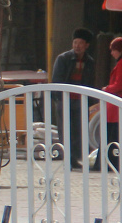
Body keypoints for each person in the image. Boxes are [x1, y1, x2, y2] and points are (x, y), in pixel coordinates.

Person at [51, 27, 96, 168]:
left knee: (78, 130)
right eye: (75, 42)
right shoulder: (63, 59)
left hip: (80, 100)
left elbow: (90, 82)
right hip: (65, 99)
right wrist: (59, 99)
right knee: (65, 130)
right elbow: (56, 80)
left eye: (80, 43)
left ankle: (75, 159)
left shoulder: (89, 61)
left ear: (86, 45)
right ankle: (67, 159)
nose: (77, 46)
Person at [92, 37, 122, 171]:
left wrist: (106, 89)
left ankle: (107, 163)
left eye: (113, 50)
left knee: (111, 135)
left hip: (115, 106)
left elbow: (118, 84)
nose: (111, 53)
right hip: (114, 106)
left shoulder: (120, 64)